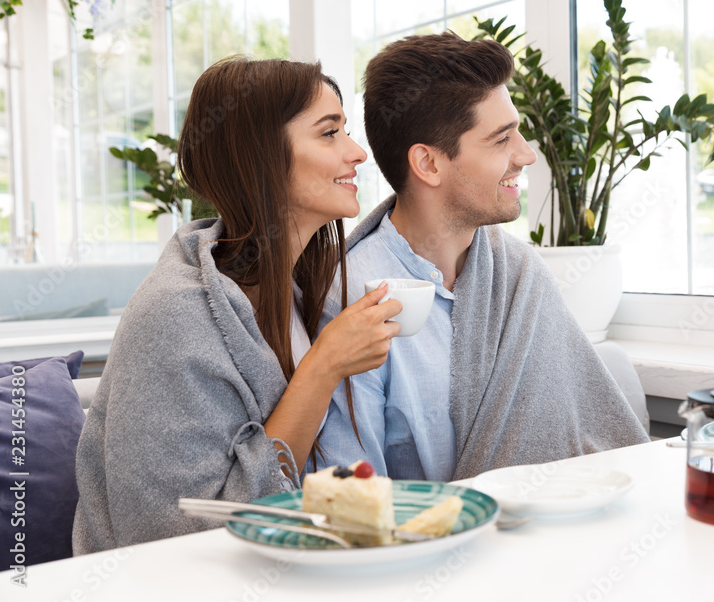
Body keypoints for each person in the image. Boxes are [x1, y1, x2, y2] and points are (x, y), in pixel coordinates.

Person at [72, 57, 402, 553]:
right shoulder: (174, 317)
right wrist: (324, 367)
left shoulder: (299, 290)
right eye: (330, 133)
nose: (356, 153)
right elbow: (170, 537)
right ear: (261, 154)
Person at [315, 32, 649, 481]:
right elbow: (355, 496)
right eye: (501, 139)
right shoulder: (350, 298)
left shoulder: (521, 274)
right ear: (428, 164)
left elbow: (591, 435)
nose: (526, 155)